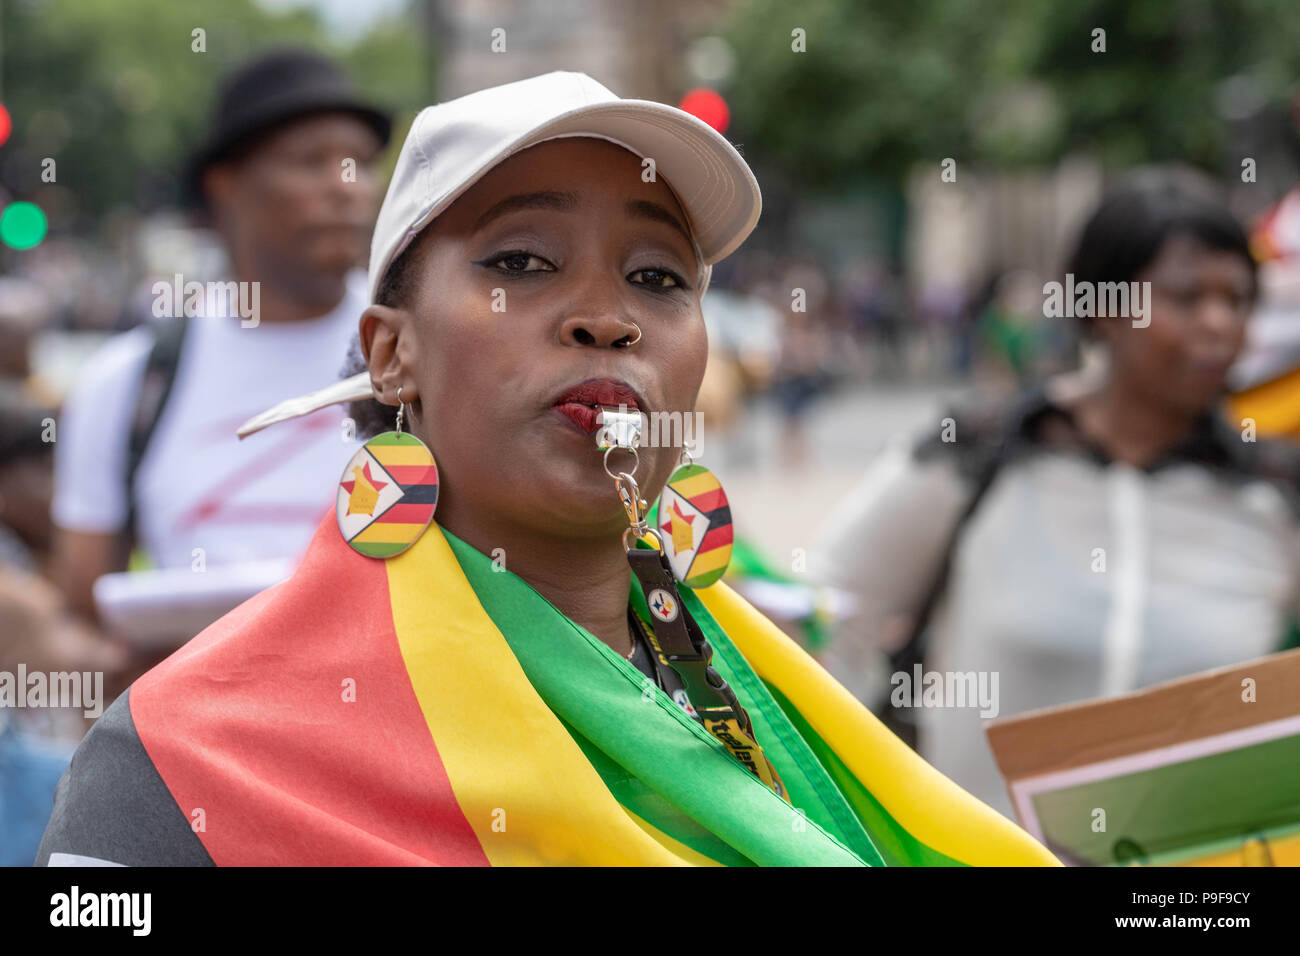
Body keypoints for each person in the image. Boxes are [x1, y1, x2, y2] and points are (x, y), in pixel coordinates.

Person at [38, 71, 1055, 867]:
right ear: (392, 350)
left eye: (656, 277)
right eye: (520, 262)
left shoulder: (786, 709)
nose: (605, 316)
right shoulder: (186, 763)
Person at [815, 167, 1300, 819]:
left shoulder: (1272, 497)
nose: (1219, 323)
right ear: (1100, 308)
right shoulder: (980, 458)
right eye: (1186, 298)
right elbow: (822, 618)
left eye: (1238, 300)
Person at [50, 49, 391, 623]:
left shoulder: (427, 358)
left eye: (360, 161)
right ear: (226, 185)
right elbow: (85, 614)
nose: (346, 187)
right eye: (311, 161)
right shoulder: (130, 382)